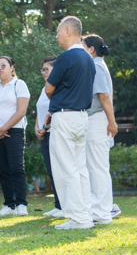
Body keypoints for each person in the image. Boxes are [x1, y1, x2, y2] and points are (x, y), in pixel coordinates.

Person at [44, 16, 96, 230]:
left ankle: (78, 218)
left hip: (65, 117)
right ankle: (86, 214)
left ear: (68, 32)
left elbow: (48, 89)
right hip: (82, 117)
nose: (56, 36)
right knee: (80, 169)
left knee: (67, 168)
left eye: (58, 32)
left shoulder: (66, 58)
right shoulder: (89, 59)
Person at [0, 55, 31, 217]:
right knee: (3, 170)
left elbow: (21, 111)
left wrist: (4, 128)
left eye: (3, 65)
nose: (0, 68)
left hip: (14, 132)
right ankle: (9, 205)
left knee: (16, 168)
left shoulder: (19, 84)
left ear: (12, 68)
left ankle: (21, 204)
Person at [82, 34, 120, 224]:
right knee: (96, 167)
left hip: (98, 121)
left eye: (82, 46)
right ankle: (102, 209)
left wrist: (112, 122)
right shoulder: (98, 65)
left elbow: (103, 97)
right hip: (97, 121)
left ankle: (102, 212)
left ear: (90, 49)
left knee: (97, 168)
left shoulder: (96, 66)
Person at [35, 56, 62, 218]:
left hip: (54, 133)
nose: (44, 72)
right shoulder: (44, 88)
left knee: (59, 171)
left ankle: (64, 205)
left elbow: (59, 111)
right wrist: (37, 128)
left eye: (47, 69)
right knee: (51, 171)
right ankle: (58, 205)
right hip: (44, 135)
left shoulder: (58, 88)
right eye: (42, 70)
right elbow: (40, 111)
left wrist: (45, 128)